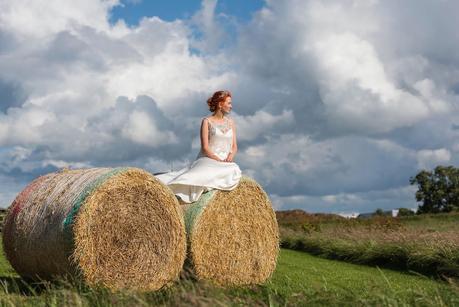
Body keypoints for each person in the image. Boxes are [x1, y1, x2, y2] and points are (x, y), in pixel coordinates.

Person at [155, 90, 242, 203]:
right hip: (209, 159)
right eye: (229, 103)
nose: (231, 106)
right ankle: (170, 186)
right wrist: (218, 160)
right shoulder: (206, 122)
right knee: (196, 176)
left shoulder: (231, 123)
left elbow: (234, 146)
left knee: (233, 169)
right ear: (220, 104)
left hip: (227, 162)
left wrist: (231, 155)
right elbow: (205, 147)